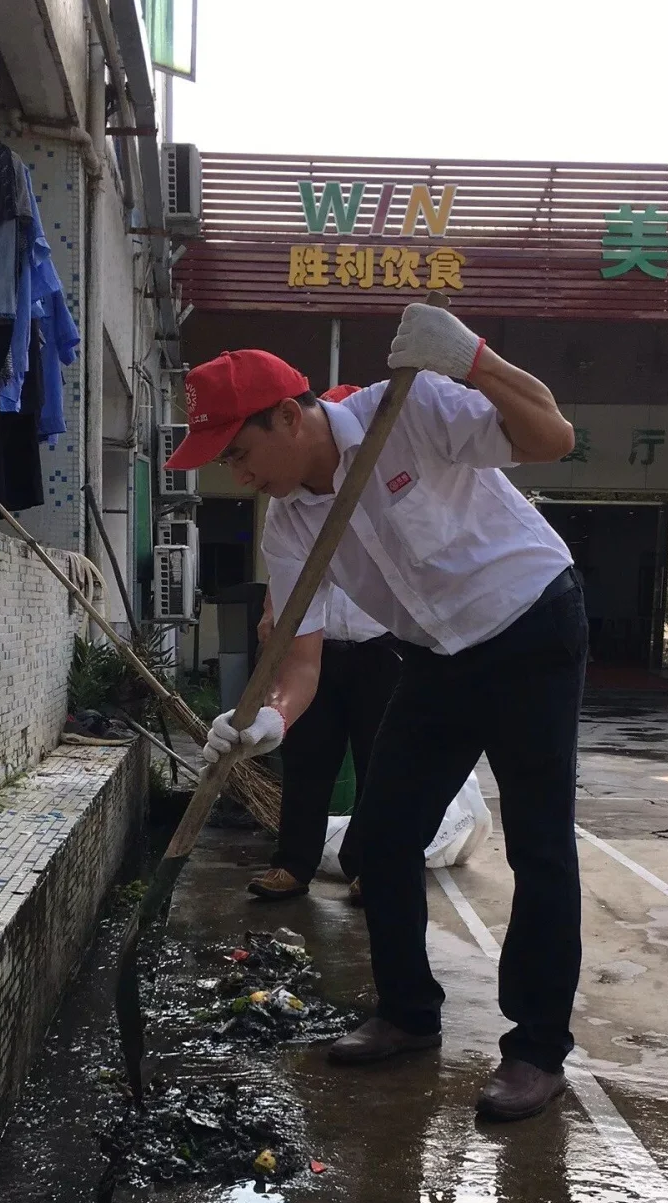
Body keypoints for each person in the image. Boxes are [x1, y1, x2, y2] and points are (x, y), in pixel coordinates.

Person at [165, 303, 587, 1123]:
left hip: (530, 623)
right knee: (381, 839)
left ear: (289, 417)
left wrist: (474, 359)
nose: (237, 475)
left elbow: (552, 437)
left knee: (540, 844)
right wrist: (267, 724)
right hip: (435, 656)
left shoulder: (409, 407)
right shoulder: (291, 522)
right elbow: (300, 663)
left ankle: (537, 1050)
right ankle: (408, 1013)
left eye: (239, 452)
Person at [250, 577, 400, 901]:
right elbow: (286, 565)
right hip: (313, 649)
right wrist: (271, 608)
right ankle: (293, 864)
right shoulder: (297, 536)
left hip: (384, 646)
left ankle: (369, 868)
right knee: (305, 759)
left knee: (380, 765)